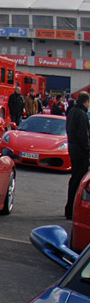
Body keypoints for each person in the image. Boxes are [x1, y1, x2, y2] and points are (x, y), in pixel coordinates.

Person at [65, 91, 90, 219]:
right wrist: (88, 150)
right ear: (86, 102)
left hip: (73, 149)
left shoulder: (72, 111)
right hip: (81, 151)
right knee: (79, 181)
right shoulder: (81, 114)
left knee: (74, 179)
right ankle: (72, 210)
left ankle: (69, 208)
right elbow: (83, 136)